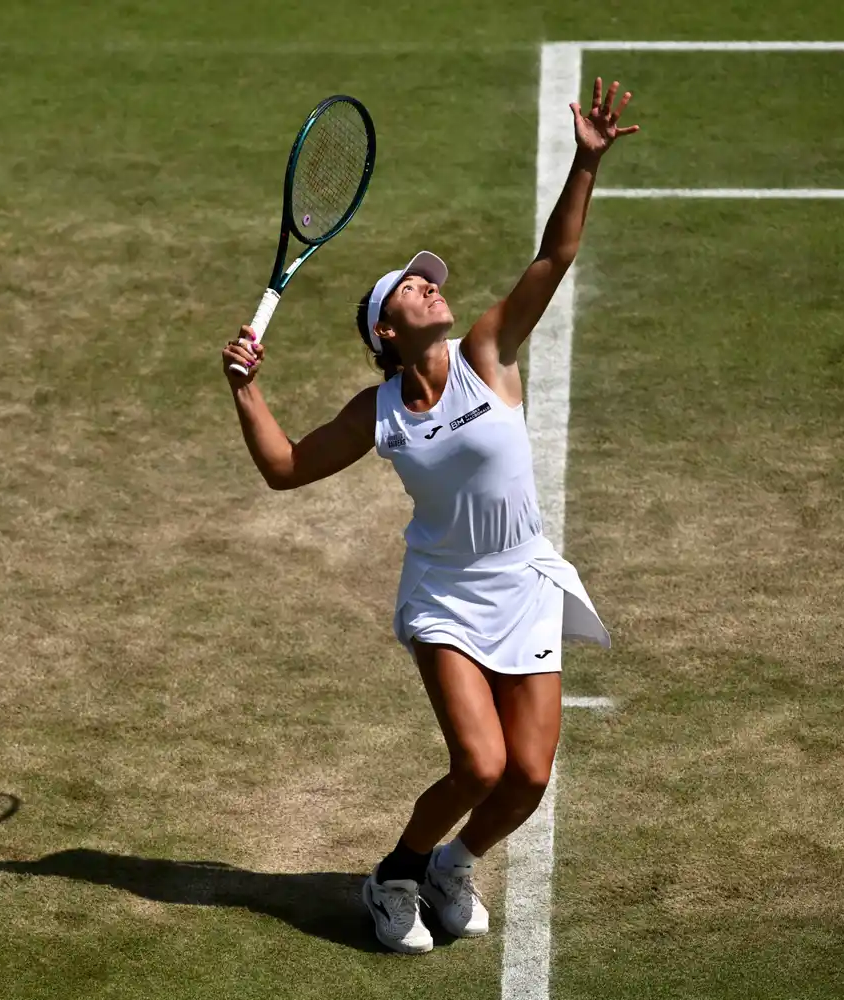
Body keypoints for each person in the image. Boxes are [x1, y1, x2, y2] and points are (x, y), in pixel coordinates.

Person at [221, 79, 638, 954]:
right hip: (445, 595)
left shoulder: (487, 352)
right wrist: (246, 390)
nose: (431, 289)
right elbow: (284, 468)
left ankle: (455, 863)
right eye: (412, 289)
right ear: (385, 331)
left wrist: (586, 164)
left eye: (430, 284)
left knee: (527, 777)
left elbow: (554, 257)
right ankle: (394, 876)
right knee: (479, 763)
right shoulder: (377, 412)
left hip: (525, 581)